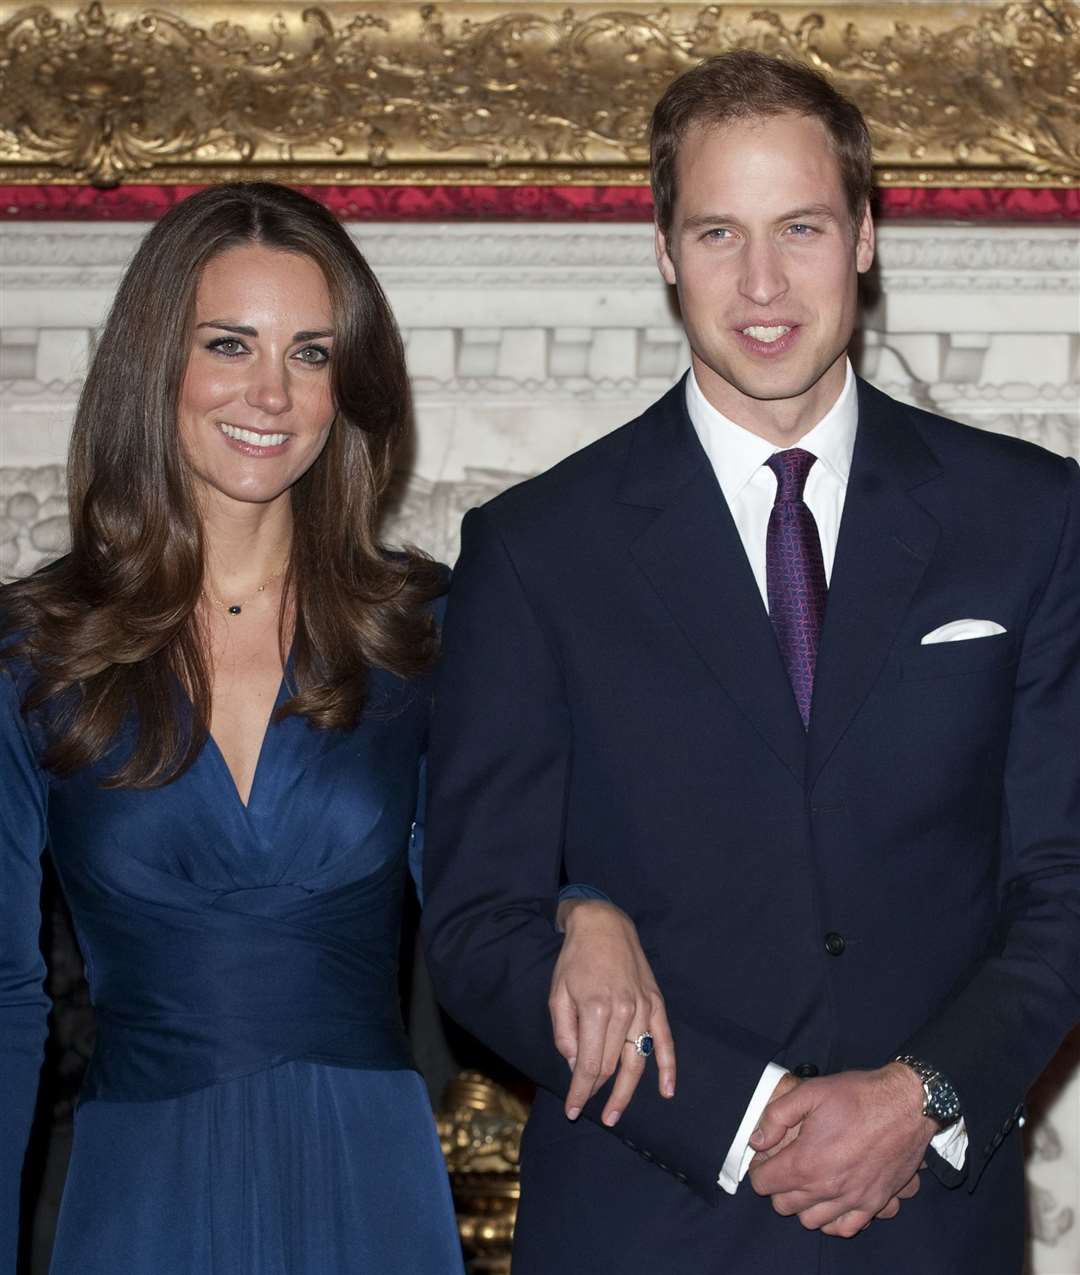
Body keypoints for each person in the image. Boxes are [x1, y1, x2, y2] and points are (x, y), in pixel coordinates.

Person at [421, 50, 1080, 1275]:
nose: (762, 282)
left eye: (802, 229)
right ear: (665, 251)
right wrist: (733, 1118)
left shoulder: (1031, 521)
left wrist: (916, 1099)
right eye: (719, 232)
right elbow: (475, 926)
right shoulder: (533, 552)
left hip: (927, 1222)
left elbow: (1067, 878)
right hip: (645, 1219)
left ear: (866, 238)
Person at [0, 181, 662, 1274]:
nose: (272, 393)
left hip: (368, 1182)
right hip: (139, 1195)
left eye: (310, 354)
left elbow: (482, 878)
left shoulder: (425, 632)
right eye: (230, 344)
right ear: (155, 363)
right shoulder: (38, 650)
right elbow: (9, 998)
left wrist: (587, 906)